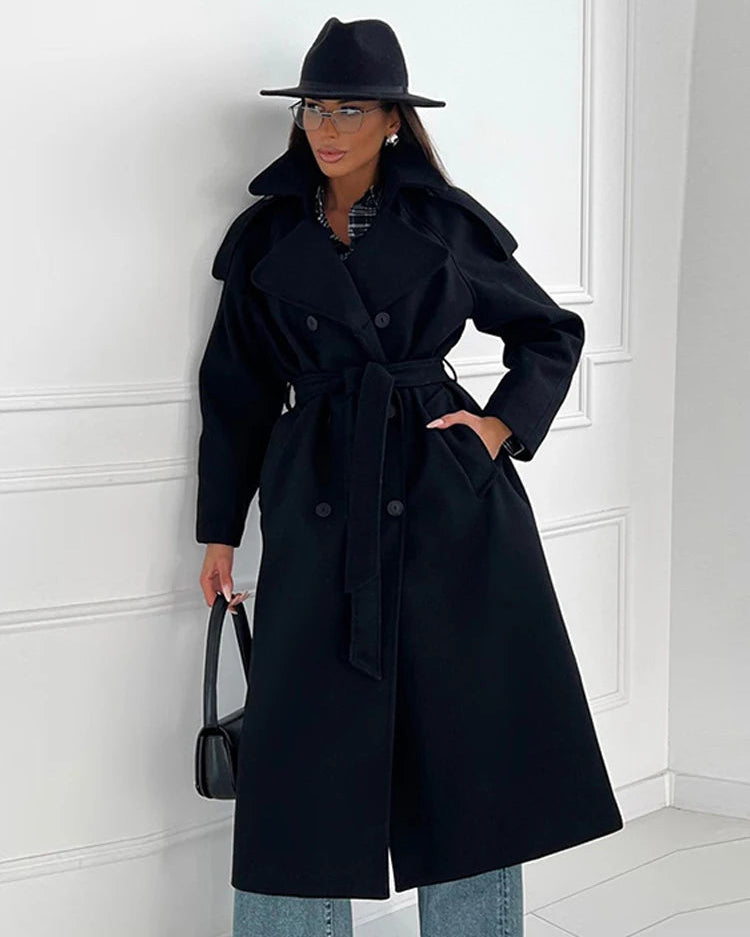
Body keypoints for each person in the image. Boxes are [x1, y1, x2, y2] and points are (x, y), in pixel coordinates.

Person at [196, 16, 623, 937]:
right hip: (318, 499)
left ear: (393, 120)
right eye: (315, 107)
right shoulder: (265, 236)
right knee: (297, 765)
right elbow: (234, 391)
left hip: (446, 503)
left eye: (350, 109)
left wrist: (497, 428)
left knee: (468, 757)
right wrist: (220, 530)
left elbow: (551, 331)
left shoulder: (443, 224)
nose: (327, 127)